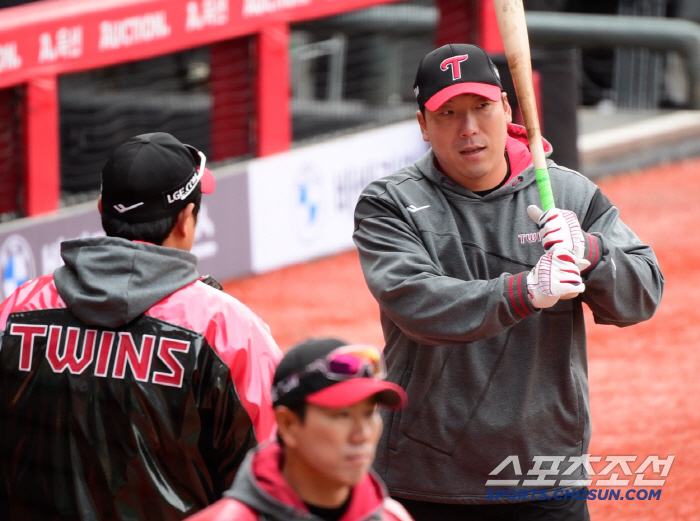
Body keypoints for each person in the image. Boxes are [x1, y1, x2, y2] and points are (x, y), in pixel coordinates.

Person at [352, 43, 664, 521]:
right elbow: (415, 303)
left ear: (506, 108)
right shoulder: (390, 204)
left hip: (542, 472)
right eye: (448, 113)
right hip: (428, 476)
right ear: (422, 125)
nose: (469, 129)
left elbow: (643, 294)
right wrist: (526, 290)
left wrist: (593, 255)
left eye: (481, 108)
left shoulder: (567, 192)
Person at [0, 132, 283, 520]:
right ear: (186, 221)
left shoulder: (18, 308)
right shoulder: (226, 329)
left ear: (102, 208)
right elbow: (275, 469)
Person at [186, 338, 415, 521]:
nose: (363, 434)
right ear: (288, 425)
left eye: (369, 413)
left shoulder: (393, 516)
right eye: (342, 415)